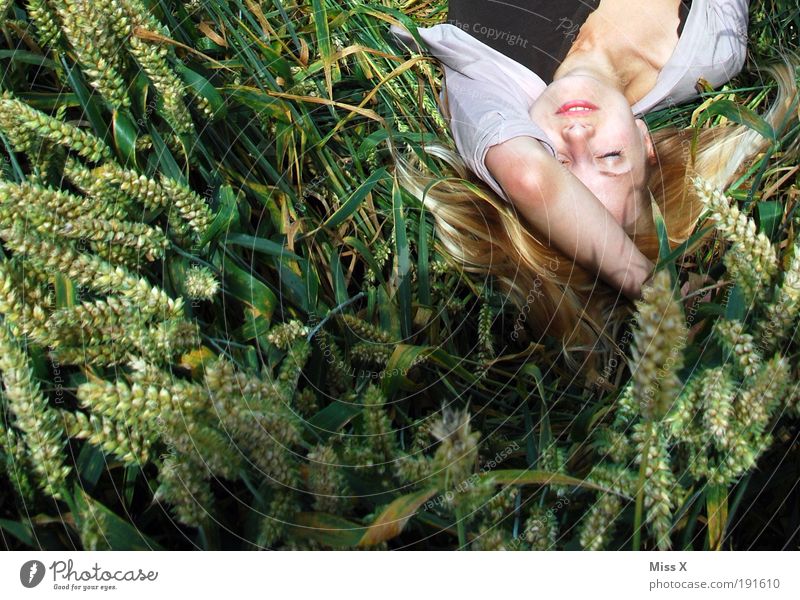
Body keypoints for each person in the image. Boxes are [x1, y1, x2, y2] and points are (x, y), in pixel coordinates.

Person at [388, 1, 798, 377]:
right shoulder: (710, 50)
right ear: (645, 142)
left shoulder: (494, 73)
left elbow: (528, 177)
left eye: (560, 162)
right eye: (611, 158)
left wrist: (649, 287)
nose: (579, 136)